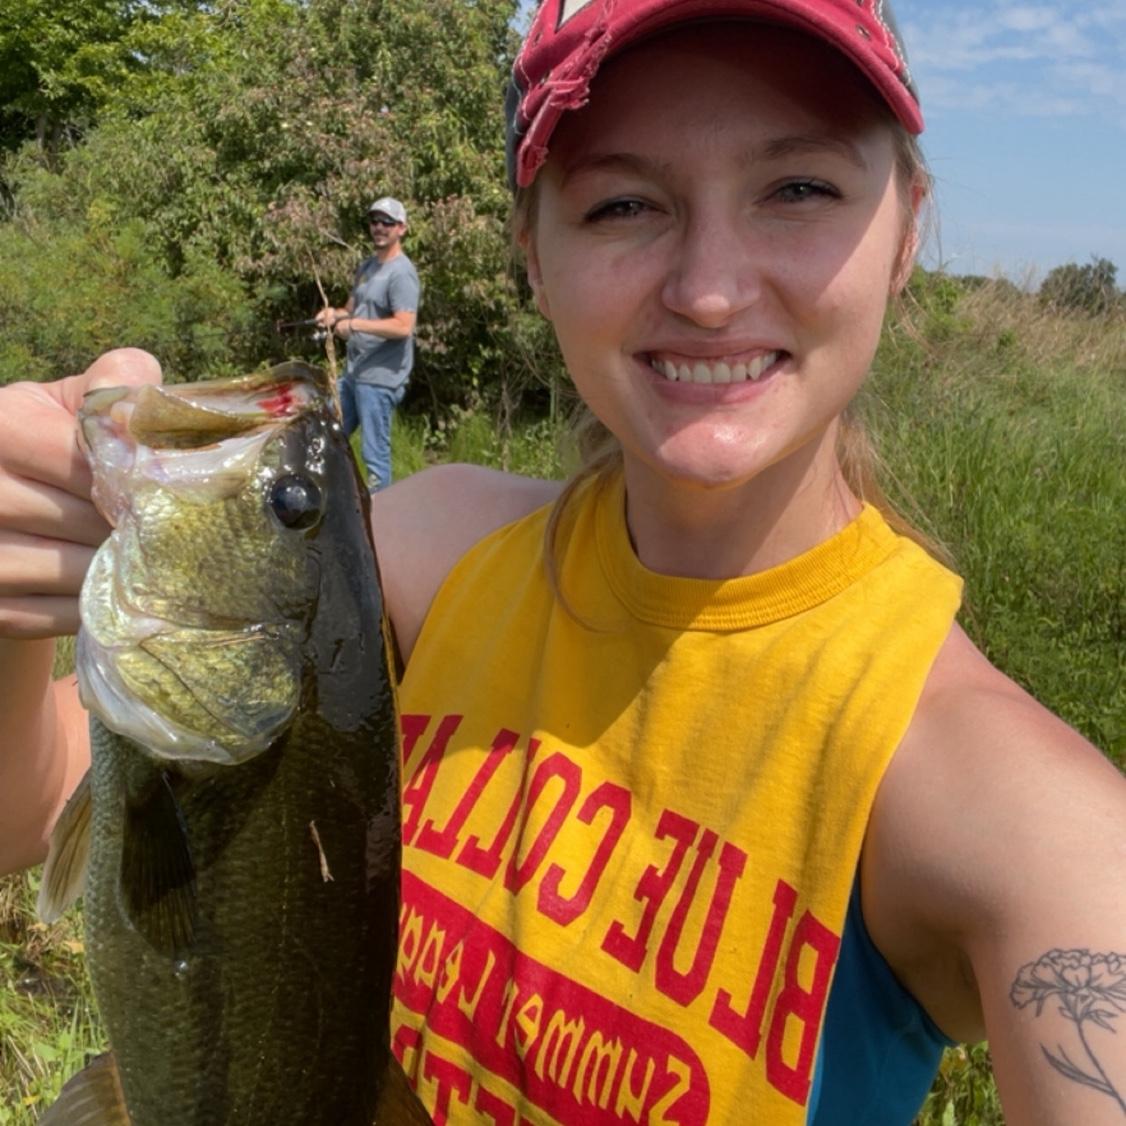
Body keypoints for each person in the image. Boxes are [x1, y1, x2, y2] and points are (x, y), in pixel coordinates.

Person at [1, 1, 1124, 1123]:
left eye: (798, 188)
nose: (709, 288)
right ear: (532, 253)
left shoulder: (1020, 816)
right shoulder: (432, 553)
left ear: (906, 229)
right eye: (625, 202)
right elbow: (37, 809)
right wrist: (16, 602)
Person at [315, 195, 421, 489]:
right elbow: (350, 310)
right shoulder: (367, 268)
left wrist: (354, 326)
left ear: (401, 228)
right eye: (374, 221)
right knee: (326, 436)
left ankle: (381, 520)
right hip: (354, 374)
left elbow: (403, 327)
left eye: (387, 222)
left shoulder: (402, 274)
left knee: (374, 457)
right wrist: (332, 315)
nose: (379, 227)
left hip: (380, 378)